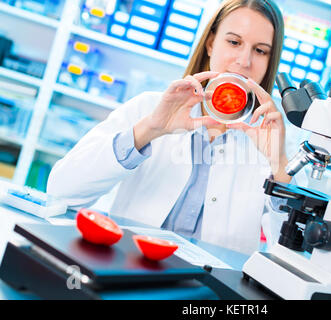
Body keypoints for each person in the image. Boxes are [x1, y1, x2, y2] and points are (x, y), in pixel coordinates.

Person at [47, 0, 305, 255]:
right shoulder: (148, 108)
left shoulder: (280, 145)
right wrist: (150, 129)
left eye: (260, 50)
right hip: (126, 268)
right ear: (211, 43)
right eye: (234, 42)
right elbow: (62, 192)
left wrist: (279, 167)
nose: (244, 61)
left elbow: (292, 256)